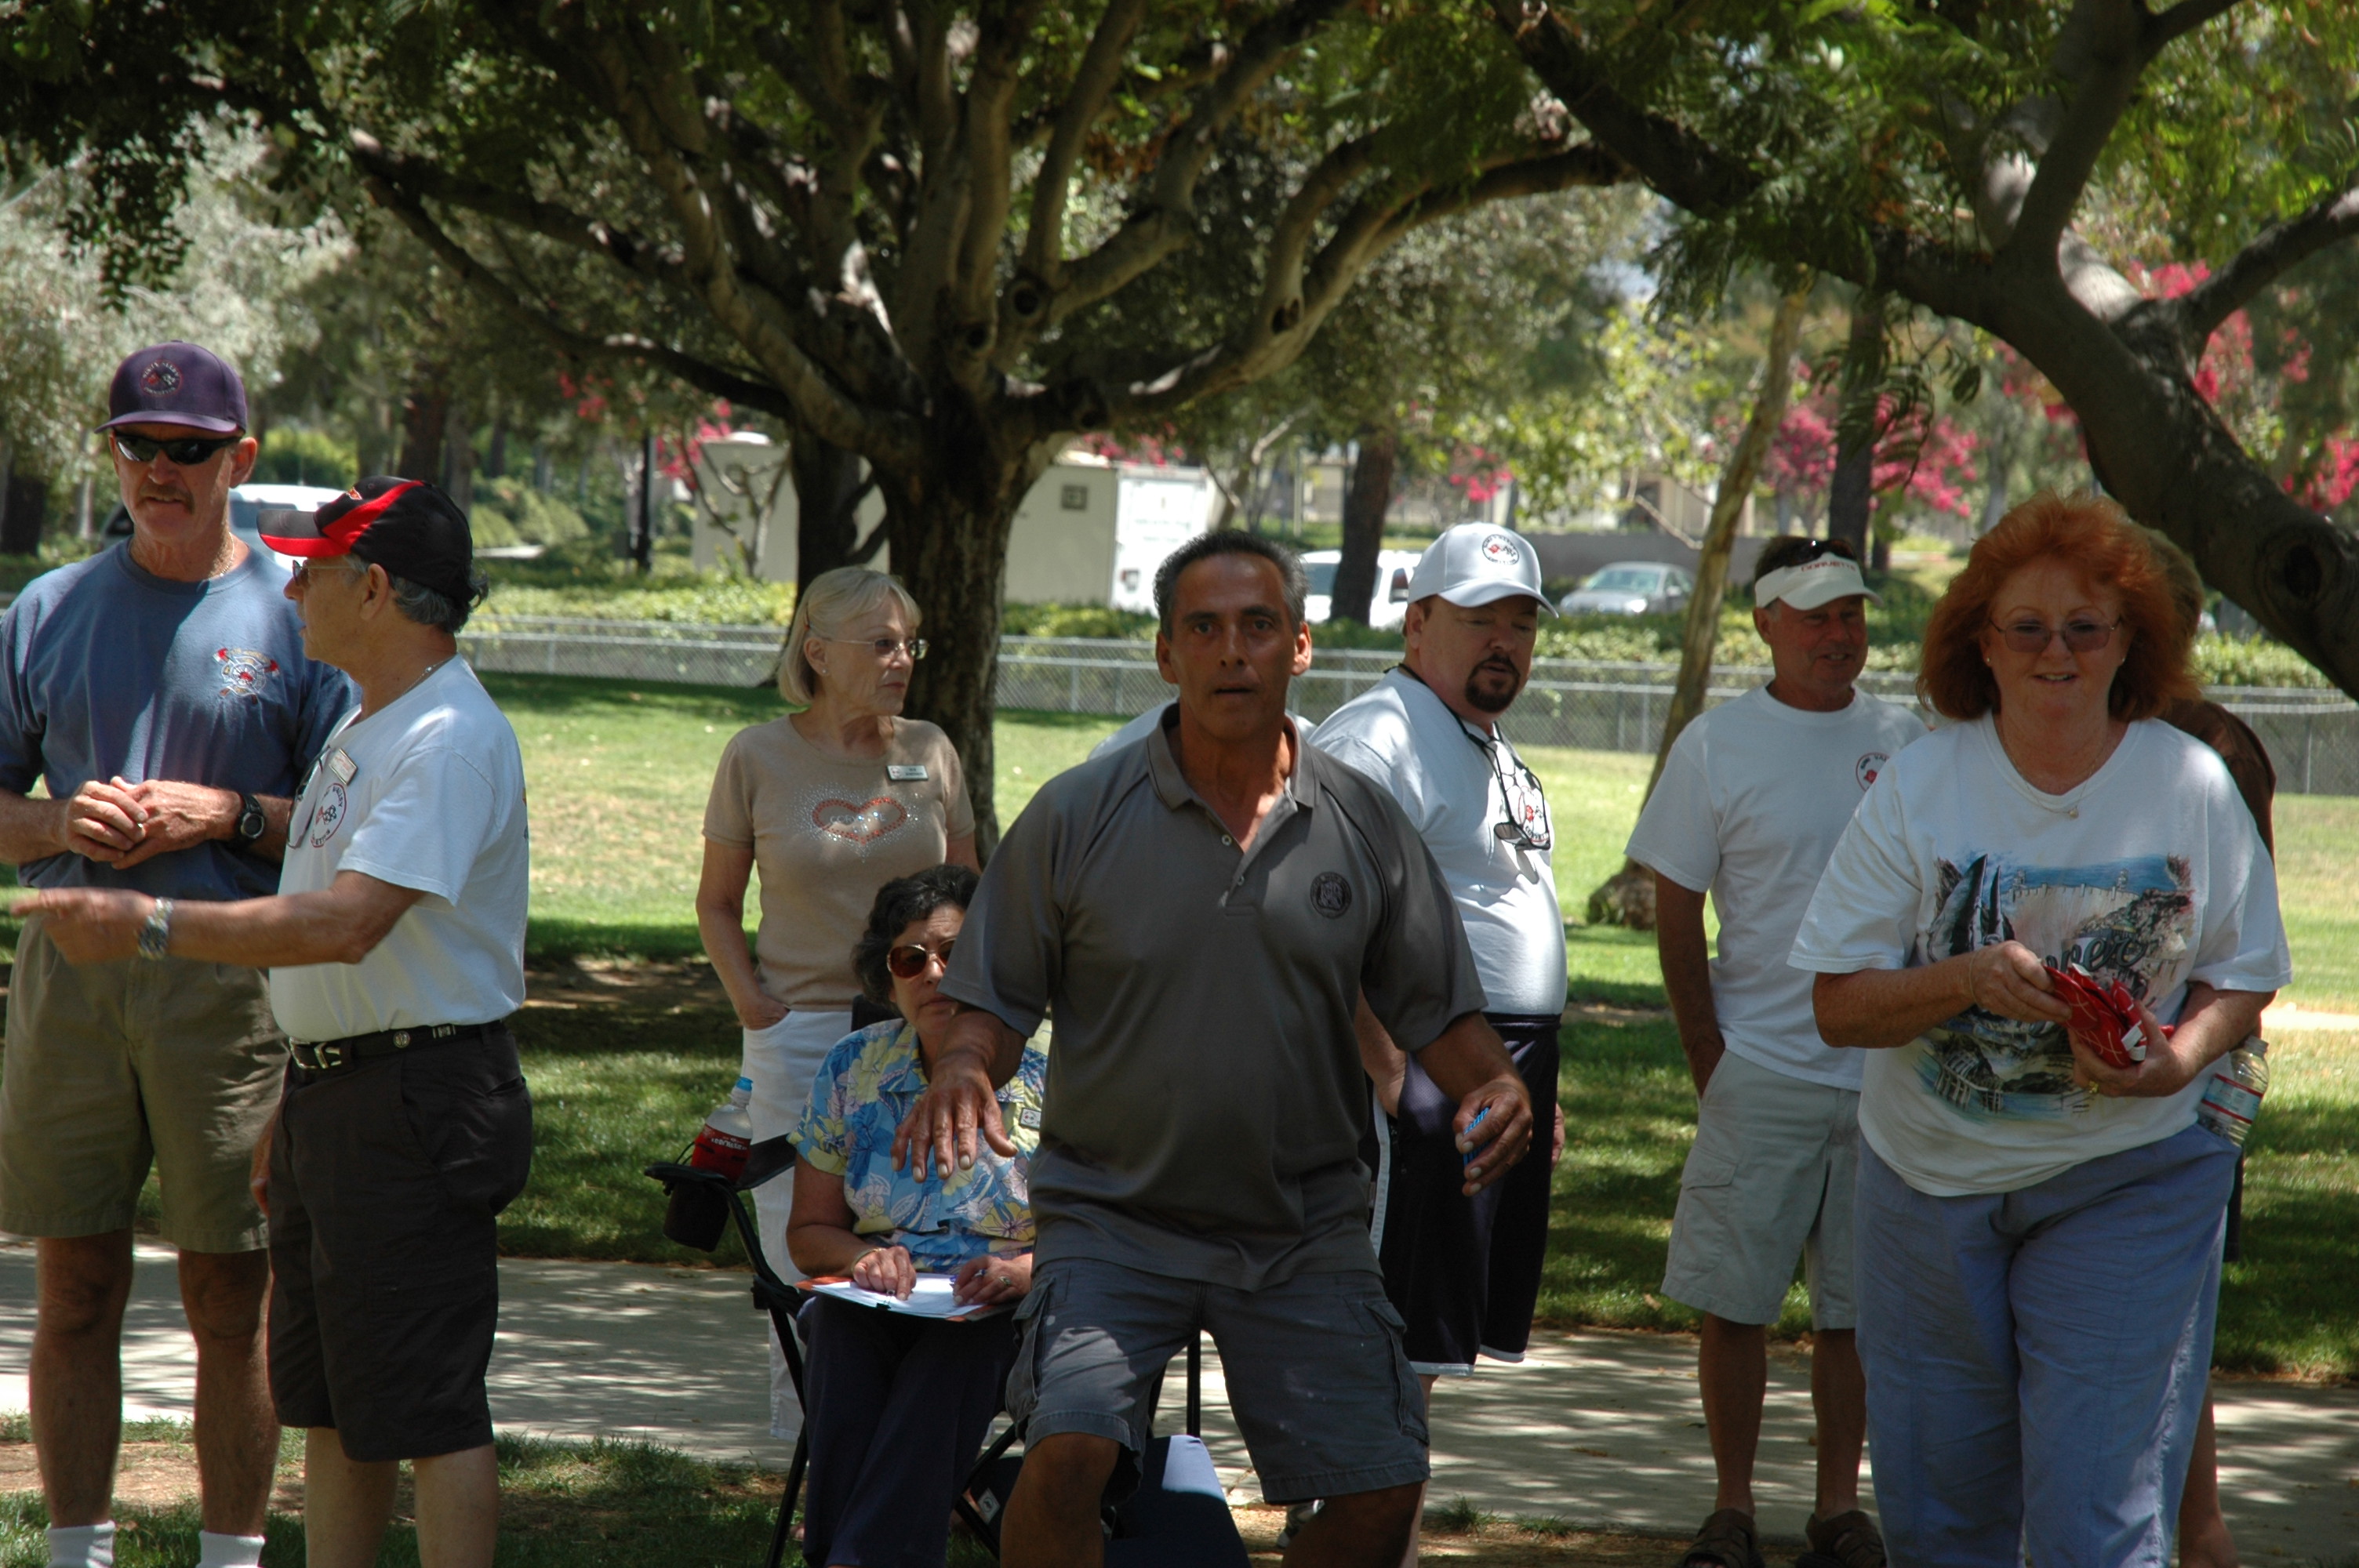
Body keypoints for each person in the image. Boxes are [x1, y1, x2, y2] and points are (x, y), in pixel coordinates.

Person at [895, 530, 1536, 1568]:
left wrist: (1498, 1085)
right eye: (1204, 628)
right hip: (1114, 1220)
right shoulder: (1076, 816)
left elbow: (1440, 1015)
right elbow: (991, 1003)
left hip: (1302, 1226)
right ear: (1165, 654)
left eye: (1258, 626)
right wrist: (966, 1066)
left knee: (1384, 1486)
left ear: (1301, 646)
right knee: (1066, 1455)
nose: (1232, 651)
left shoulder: (1363, 822)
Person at [22, 476, 531, 1568]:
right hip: (346, 1091)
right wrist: (303, 1092)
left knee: (431, 1409)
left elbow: (347, 926)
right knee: (337, 1403)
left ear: (379, 587)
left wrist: (147, 925)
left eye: (317, 566)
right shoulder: (370, 715)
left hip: (421, 1097)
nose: (292, 581)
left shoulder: (445, 736)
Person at [1792, 492, 2290, 1566]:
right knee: (1943, 1519)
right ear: (1983, 641)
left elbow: (2244, 977)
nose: (2056, 651)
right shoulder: (1922, 782)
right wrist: (1963, 978)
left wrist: (2177, 1062)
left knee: (2096, 1522)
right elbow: (1837, 1001)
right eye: (2027, 626)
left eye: (2086, 627)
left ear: (2131, 644)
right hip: (1927, 1183)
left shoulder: (2192, 782)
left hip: (2132, 1176)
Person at [0, 342, 354, 1568]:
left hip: (233, 981)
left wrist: (225, 816)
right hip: (70, 979)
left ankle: (231, 1555)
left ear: (240, 462)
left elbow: (345, 824)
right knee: (75, 1284)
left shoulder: (301, 618)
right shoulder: (45, 609)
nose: (162, 470)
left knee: (227, 1295)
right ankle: (76, 1551)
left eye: (190, 451)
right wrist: (56, 822)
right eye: (140, 446)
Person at [1622, 535, 1924, 1568]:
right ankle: (1733, 1510)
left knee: (1856, 1314)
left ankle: (1839, 1511)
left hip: (1887, 1074)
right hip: (1765, 1067)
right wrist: (1709, 1048)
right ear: (1766, 623)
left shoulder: (1909, 737)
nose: (1839, 635)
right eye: (1816, 616)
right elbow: (1676, 905)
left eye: (1852, 614)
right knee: (1735, 1302)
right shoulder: (1717, 744)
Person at [1307, 523, 1568, 1564]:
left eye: (1520, 622)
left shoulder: (1478, 741)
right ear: (1419, 624)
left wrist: (1530, 1092)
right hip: (1420, 1068)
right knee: (1386, 1352)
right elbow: (1322, 916)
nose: (1503, 641)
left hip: (1493, 1067)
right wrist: (1388, 1069)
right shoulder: (1379, 737)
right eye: (1477, 619)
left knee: (1426, 1358)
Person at [695, 564, 980, 1439]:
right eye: (882, 643)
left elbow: (972, 889)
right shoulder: (757, 753)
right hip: (801, 1032)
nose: (902, 659)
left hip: (923, 1024)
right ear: (817, 652)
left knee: (937, 1216)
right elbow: (715, 901)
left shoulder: (928, 749)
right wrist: (754, 1004)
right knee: (803, 1236)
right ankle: (814, 1442)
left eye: (909, 642)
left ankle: (929, 1428)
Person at [787, 864, 1046, 1568]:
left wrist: (1025, 1269)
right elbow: (808, 1234)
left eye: (957, 955)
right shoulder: (853, 1067)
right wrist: (859, 1259)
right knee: (838, 1330)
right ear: (888, 974)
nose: (935, 974)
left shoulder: (1058, 1069)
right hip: (881, 1300)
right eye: (912, 958)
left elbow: (1111, 1223)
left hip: (1010, 1306)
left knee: (951, 1357)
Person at [2143, 528, 2277, 1568]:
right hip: (2084, 1087)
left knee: (2172, 1330)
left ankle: (2193, 1534)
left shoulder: (2216, 752)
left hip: (2188, 1088)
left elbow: (2242, 952)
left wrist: (2177, 1056)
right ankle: (2192, 1534)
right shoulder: (2061, 731)